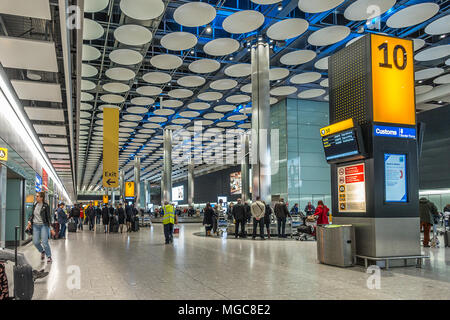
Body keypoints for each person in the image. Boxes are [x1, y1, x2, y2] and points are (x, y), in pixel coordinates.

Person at [26, 192, 52, 263]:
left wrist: (51, 228)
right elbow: (32, 215)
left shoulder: (46, 206)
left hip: (43, 225)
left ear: (41, 198)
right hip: (35, 226)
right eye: (36, 196)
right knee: (36, 242)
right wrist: (29, 221)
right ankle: (42, 251)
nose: (36, 197)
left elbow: (48, 217)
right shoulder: (35, 204)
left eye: (37, 196)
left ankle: (49, 256)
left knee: (44, 242)